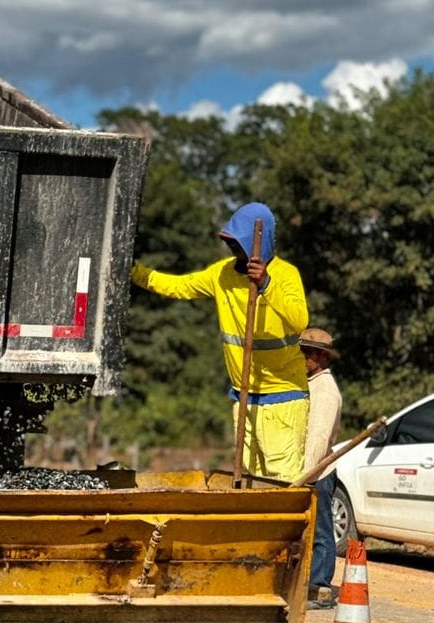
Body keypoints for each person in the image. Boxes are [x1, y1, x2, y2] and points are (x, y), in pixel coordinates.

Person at [131, 201, 310, 481]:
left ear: (256, 244)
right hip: (244, 396)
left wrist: (266, 285)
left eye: (238, 243)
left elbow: (300, 321)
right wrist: (135, 272)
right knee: (251, 481)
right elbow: (179, 286)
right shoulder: (222, 274)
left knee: (282, 483)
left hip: (283, 399)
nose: (233, 249)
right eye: (230, 243)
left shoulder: (286, 275)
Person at [300, 327, 343, 609]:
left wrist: (305, 477)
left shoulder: (326, 392)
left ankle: (321, 586)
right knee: (310, 530)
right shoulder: (311, 384)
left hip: (317, 471)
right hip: (310, 469)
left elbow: (318, 437)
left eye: (304, 354)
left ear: (319, 356)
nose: (299, 359)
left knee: (322, 532)